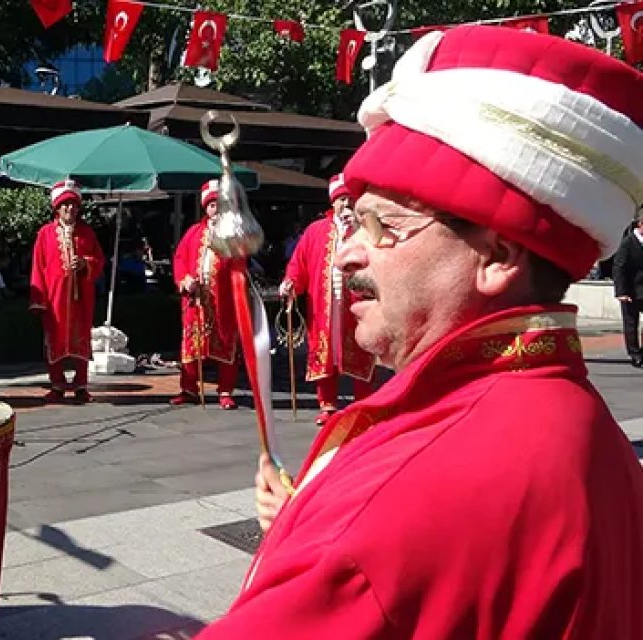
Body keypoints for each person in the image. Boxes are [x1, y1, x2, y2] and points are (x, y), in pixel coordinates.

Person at [201, 26, 643, 638]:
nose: (346, 254)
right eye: (353, 222)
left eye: (382, 224)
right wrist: (304, 519)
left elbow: (388, 552)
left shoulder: (409, 490)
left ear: (496, 255)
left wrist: (329, 536)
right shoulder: (579, 419)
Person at [278, 174, 377, 424]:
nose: (345, 204)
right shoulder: (315, 231)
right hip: (323, 304)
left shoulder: (366, 230)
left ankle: (363, 402)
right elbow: (298, 263)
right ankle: (327, 403)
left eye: (348, 199)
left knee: (360, 349)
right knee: (324, 352)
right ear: (332, 203)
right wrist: (290, 283)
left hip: (355, 302)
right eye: (340, 199)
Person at [29, 179, 105, 404]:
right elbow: (38, 266)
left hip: (81, 298)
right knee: (55, 340)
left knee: (81, 340)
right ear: (57, 208)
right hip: (54, 299)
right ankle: (57, 385)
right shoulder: (44, 234)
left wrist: (85, 263)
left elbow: (99, 260)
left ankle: (81, 385)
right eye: (65, 205)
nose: (70, 209)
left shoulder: (87, 233)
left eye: (73, 205)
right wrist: (38, 299)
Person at [171, 179, 240, 409]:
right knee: (191, 346)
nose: (215, 210)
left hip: (223, 300)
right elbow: (180, 260)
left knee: (225, 344)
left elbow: (240, 266)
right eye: (212, 206)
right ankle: (189, 388)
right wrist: (185, 280)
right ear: (206, 208)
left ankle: (226, 391)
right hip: (196, 300)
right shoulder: (193, 233)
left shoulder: (233, 236)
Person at [612, 214, 643, 368]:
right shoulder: (628, 243)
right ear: (640, 225)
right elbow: (619, 267)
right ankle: (635, 354)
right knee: (631, 323)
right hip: (631, 291)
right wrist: (620, 292)